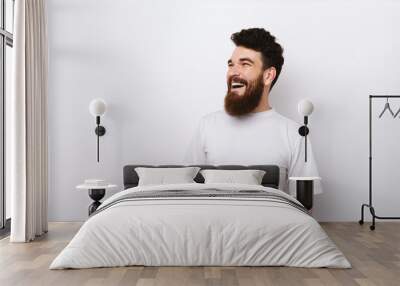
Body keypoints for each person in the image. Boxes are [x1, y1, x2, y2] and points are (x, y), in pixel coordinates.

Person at [183, 28, 321, 196]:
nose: (233, 72)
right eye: (231, 64)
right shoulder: (207, 125)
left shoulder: (295, 134)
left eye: (245, 64)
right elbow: (187, 191)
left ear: (268, 76)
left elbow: (304, 206)